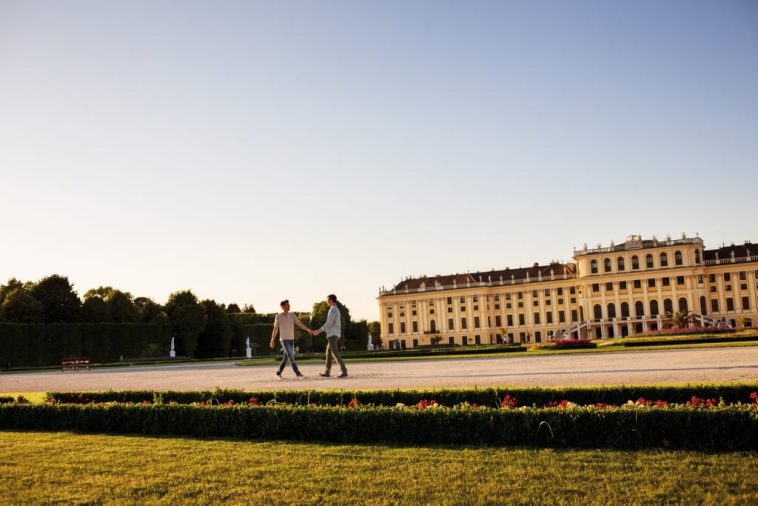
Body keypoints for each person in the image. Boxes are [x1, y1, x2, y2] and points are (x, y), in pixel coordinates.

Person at [270, 299, 309, 379]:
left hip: (291, 339)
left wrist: (307, 329)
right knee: (291, 356)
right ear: (283, 306)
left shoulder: (292, 315)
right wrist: (272, 340)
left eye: (289, 305)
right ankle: (298, 374)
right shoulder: (278, 316)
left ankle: (278, 373)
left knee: (286, 358)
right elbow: (275, 329)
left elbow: (299, 323)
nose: (289, 306)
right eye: (287, 305)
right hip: (284, 340)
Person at [312, 294, 348, 378]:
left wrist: (318, 331)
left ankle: (344, 371)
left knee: (335, 353)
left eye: (328, 300)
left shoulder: (333, 310)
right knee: (328, 353)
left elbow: (328, 324)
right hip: (333, 334)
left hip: (333, 334)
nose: (326, 301)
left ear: (331, 300)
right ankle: (327, 372)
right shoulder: (333, 309)